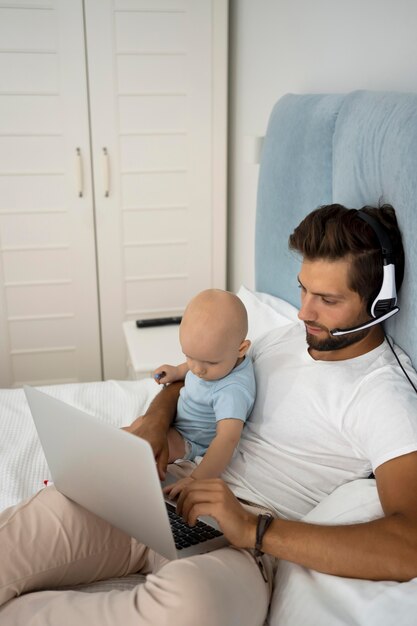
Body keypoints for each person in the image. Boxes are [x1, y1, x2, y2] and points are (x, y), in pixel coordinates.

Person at [1, 204, 417, 626]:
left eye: (327, 300)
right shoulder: (283, 340)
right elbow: (200, 379)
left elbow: (409, 542)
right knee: (19, 542)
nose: (303, 313)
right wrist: (155, 422)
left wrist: (255, 529)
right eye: (303, 290)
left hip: (241, 544)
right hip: (163, 493)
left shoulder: (383, 395)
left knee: (193, 608)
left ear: (379, 300)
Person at [151, 289, 255, 500]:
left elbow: (227, 439)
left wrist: (197, 479)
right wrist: (178, 370)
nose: (198, 369)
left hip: (191, 440)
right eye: (189, 356)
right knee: (131, 436)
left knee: (146, 452)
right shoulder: (217, 357)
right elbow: (195, 365)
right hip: (180, 422)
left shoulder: (232, 391)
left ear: (241, 348)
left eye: (209, 362)